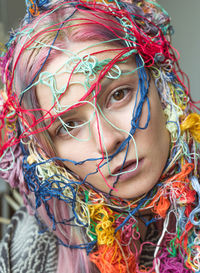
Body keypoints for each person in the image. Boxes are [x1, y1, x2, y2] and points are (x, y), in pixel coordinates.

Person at [0, 0, 199, 272]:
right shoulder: (28, 249)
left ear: (161, 86)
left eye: (119, 95)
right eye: (69, 125)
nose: (107, 141)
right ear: (48, 155)